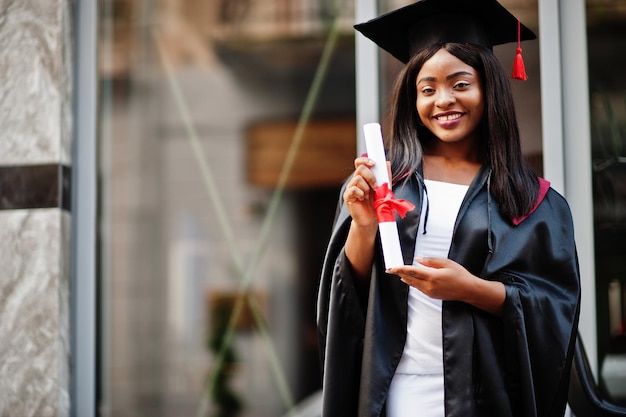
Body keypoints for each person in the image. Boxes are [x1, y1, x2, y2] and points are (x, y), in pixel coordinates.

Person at [316, 1, 581, 416]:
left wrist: (470, 289)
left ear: (488, 87)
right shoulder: (384, 180)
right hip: (399, 391)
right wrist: (364, 226)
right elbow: (348, 293)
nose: (443, 100)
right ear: (412, 97)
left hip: (490, 396)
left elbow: (554, 308)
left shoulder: (534, 199)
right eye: (427, 89)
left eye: (460, 84)